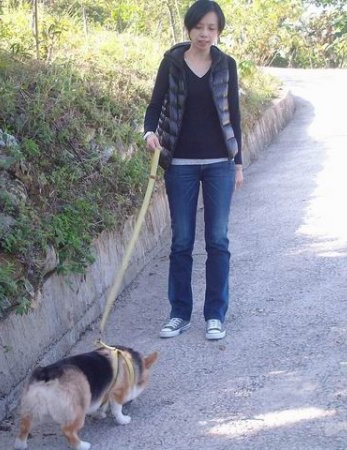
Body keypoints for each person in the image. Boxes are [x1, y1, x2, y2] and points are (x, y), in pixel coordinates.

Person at [143, 0, 243, 340]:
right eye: (199, 27)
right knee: (182, 240)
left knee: (217, 240)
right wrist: (149, 133)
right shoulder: (172, 63)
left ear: (218, 31)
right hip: (180, 164)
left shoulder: (226, 65)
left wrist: (238, 163)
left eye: (212, 28)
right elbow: (155, 105)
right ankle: (179, 314)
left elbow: (234, 115)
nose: (205, 33)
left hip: (220, 164)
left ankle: (215, 315)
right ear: (189, 28)